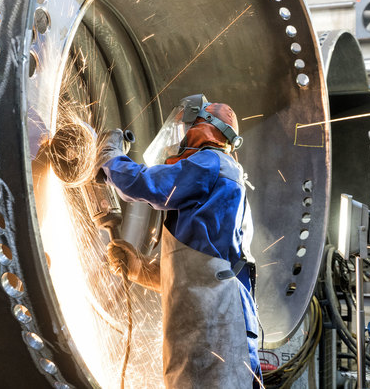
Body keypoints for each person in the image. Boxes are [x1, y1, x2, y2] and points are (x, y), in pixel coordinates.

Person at [95, 94, 262, 389]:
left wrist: (110, 159)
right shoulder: (215, 180)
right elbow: (193, 272)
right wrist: (139, 268)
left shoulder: (213, 163)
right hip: (205, 322)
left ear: (204, 127)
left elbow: (150, 185)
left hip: (218, 324)